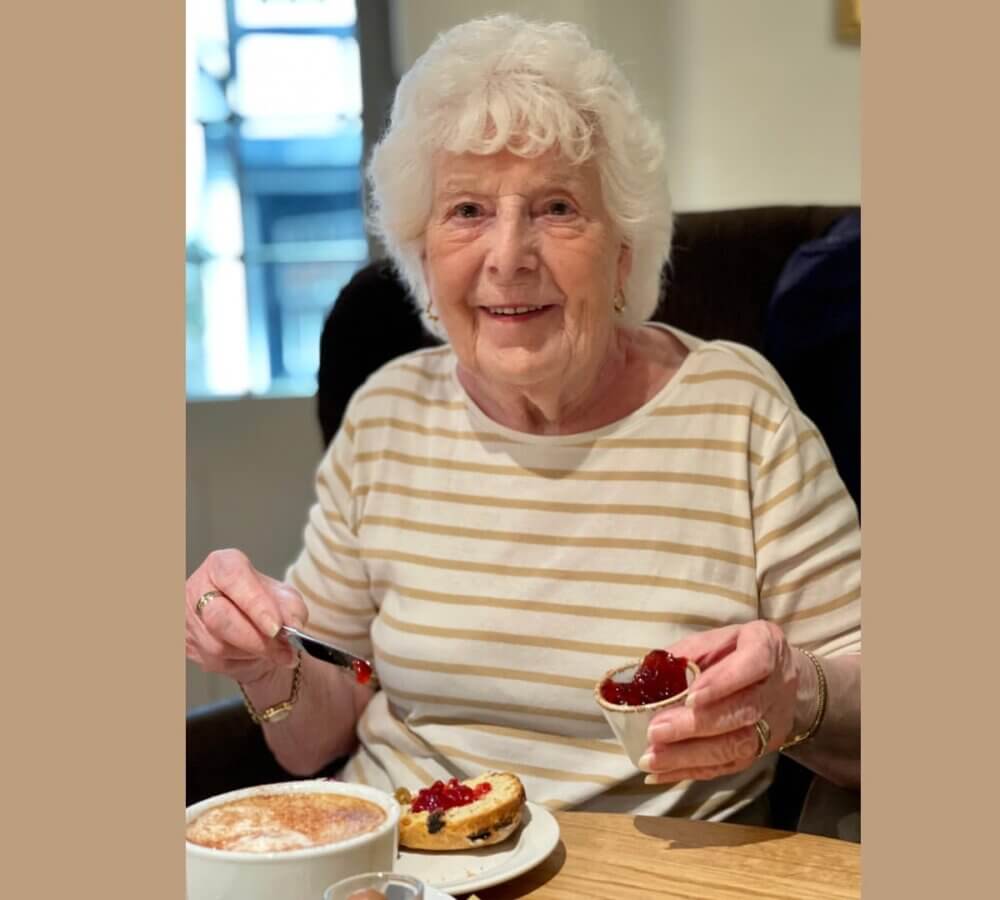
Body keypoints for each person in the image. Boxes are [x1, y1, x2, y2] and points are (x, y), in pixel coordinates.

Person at [186, 15, 860, 823]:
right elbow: (312, 736)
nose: (508, 255)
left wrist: (798, 692)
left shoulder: (738, 415)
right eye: (467, 209)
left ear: (623, 253)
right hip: (396, 866)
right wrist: (264, 665)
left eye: (555, 208)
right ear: (423, 259)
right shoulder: (387, 415)